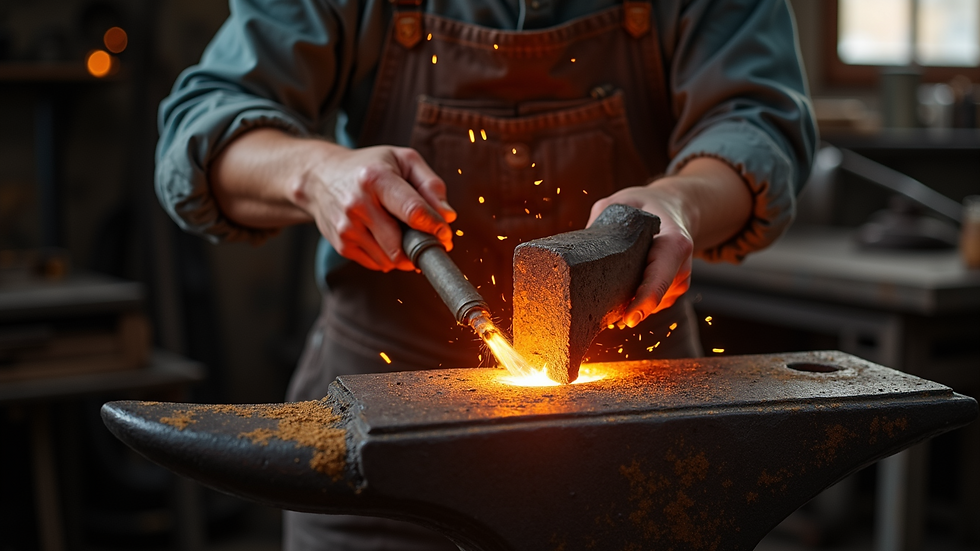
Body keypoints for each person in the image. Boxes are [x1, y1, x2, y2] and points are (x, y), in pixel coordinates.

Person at [155, 0, 817, 548]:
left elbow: (758, 126)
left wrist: (681, 201)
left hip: (632, 421)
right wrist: (315, 173)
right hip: (382, 434)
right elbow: (199, 124)